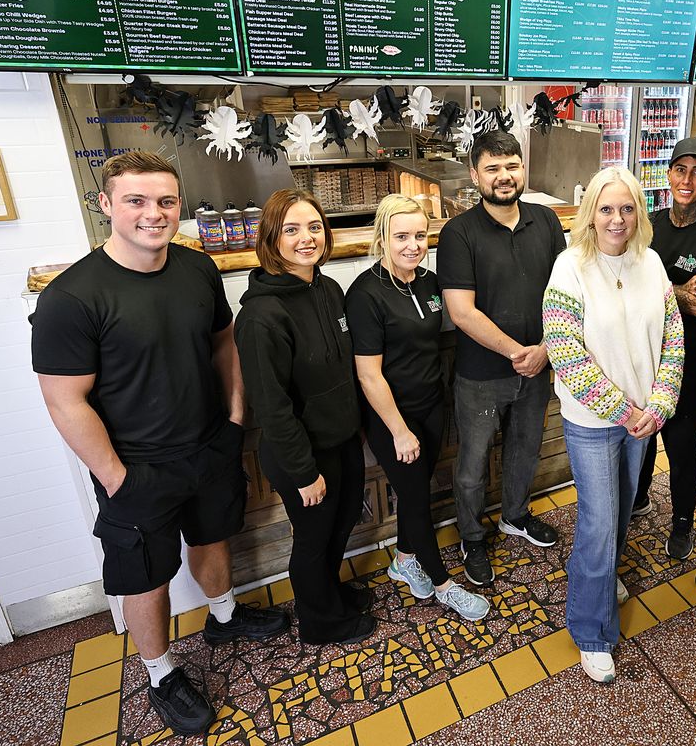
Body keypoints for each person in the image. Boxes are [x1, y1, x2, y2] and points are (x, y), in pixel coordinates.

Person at [31, 152, 289, 736]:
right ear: (106, 205)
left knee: (213, 533)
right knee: (145, 575)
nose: (155, 214)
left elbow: (224, 340)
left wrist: (234, 416)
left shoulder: (197, 269)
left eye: (166, 201)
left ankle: (223, 616)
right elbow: (65, 401)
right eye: (136, 201)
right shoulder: (71, 298)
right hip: (136, 466)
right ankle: (161, 672)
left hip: (208, 445)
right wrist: (117, 477)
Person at [542, 167, 684, 683]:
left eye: (627, 208)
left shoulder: (651, 263)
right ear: (590, 214)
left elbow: (673, 338)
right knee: (599, 524)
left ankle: (602, 582)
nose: (617, 219)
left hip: (643, 421)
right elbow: (564, 348)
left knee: (622, 511)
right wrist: (626, 411)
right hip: (594, 421)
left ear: (638, 213)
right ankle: (591, 631)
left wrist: (661, 403)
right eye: (606, 208)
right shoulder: (570, 266)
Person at [233, 189, 376, 646]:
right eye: (291, 229)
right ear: (271, 239)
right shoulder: (261, 316)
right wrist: (303, 472)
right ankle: (321, 622)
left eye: (314, 226)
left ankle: (330, 593)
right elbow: (272, 407)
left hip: (341, 439)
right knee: (313, 541)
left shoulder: (328, 288)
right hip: (302, 452)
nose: (306, 238)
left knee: (343, 520)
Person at [346, 195, 490, 621]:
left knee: (414, 496)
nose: (413, 245)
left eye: (420, 235)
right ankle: (445, 585)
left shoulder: (427, 283)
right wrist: (399, 431)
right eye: (401, 236)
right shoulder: (365, 294)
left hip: (431, 406)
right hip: (393, 418)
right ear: (382, 239)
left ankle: (404, 559)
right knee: (416, 500)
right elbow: (369, 375)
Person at [437, 131, 567, 586]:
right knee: (472, 466)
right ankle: (472, 536)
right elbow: (460, 311)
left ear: (522, 168)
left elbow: (566, 295)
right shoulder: (459, 232)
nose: (504, 176)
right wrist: (518, 352)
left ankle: (515, 515)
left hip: (540, 366)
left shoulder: (547, 221)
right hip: (482, 374)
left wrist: (547, 350)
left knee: (524, 449)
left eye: (511, 165)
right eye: (492, 168)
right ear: (475, 175)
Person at [630, 137, 696, 560]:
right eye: (680, 169)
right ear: (668, 174)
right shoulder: (647, 224)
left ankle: (682, 521)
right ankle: (638, 498)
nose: (686, 179)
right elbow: (635, 290)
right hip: (642, 355)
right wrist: (676, 292)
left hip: (688, 361)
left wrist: (654, 292)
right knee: (639, 435)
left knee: (682, 442)